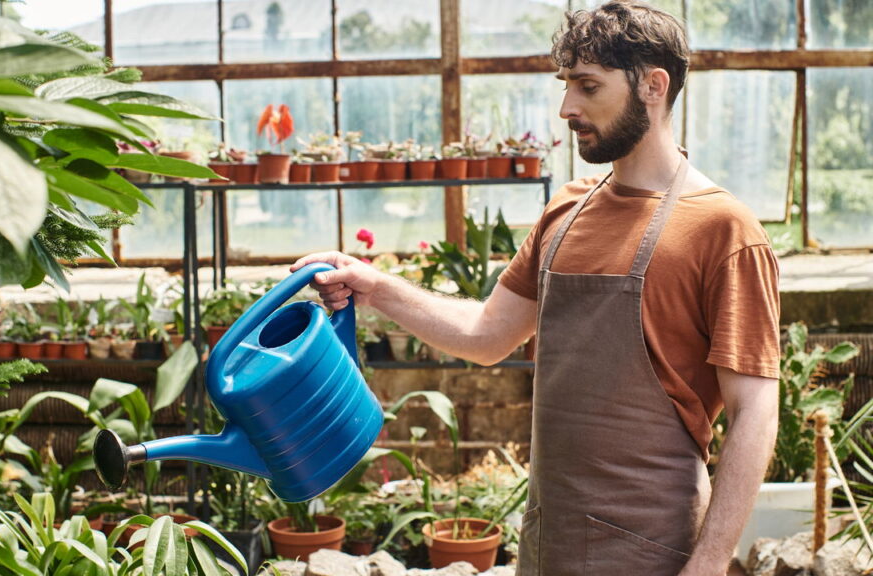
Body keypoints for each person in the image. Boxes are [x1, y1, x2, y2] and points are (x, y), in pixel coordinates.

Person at [292, 1, 781, 574]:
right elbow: (486, 336)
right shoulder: (568, 210)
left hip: (654, 548)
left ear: (654, 85)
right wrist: (375, 286)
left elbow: (755, 412)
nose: (566, 108)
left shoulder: (723, 230)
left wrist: (709, 562)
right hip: (550, 538)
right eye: (566, 84)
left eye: (588, 86)